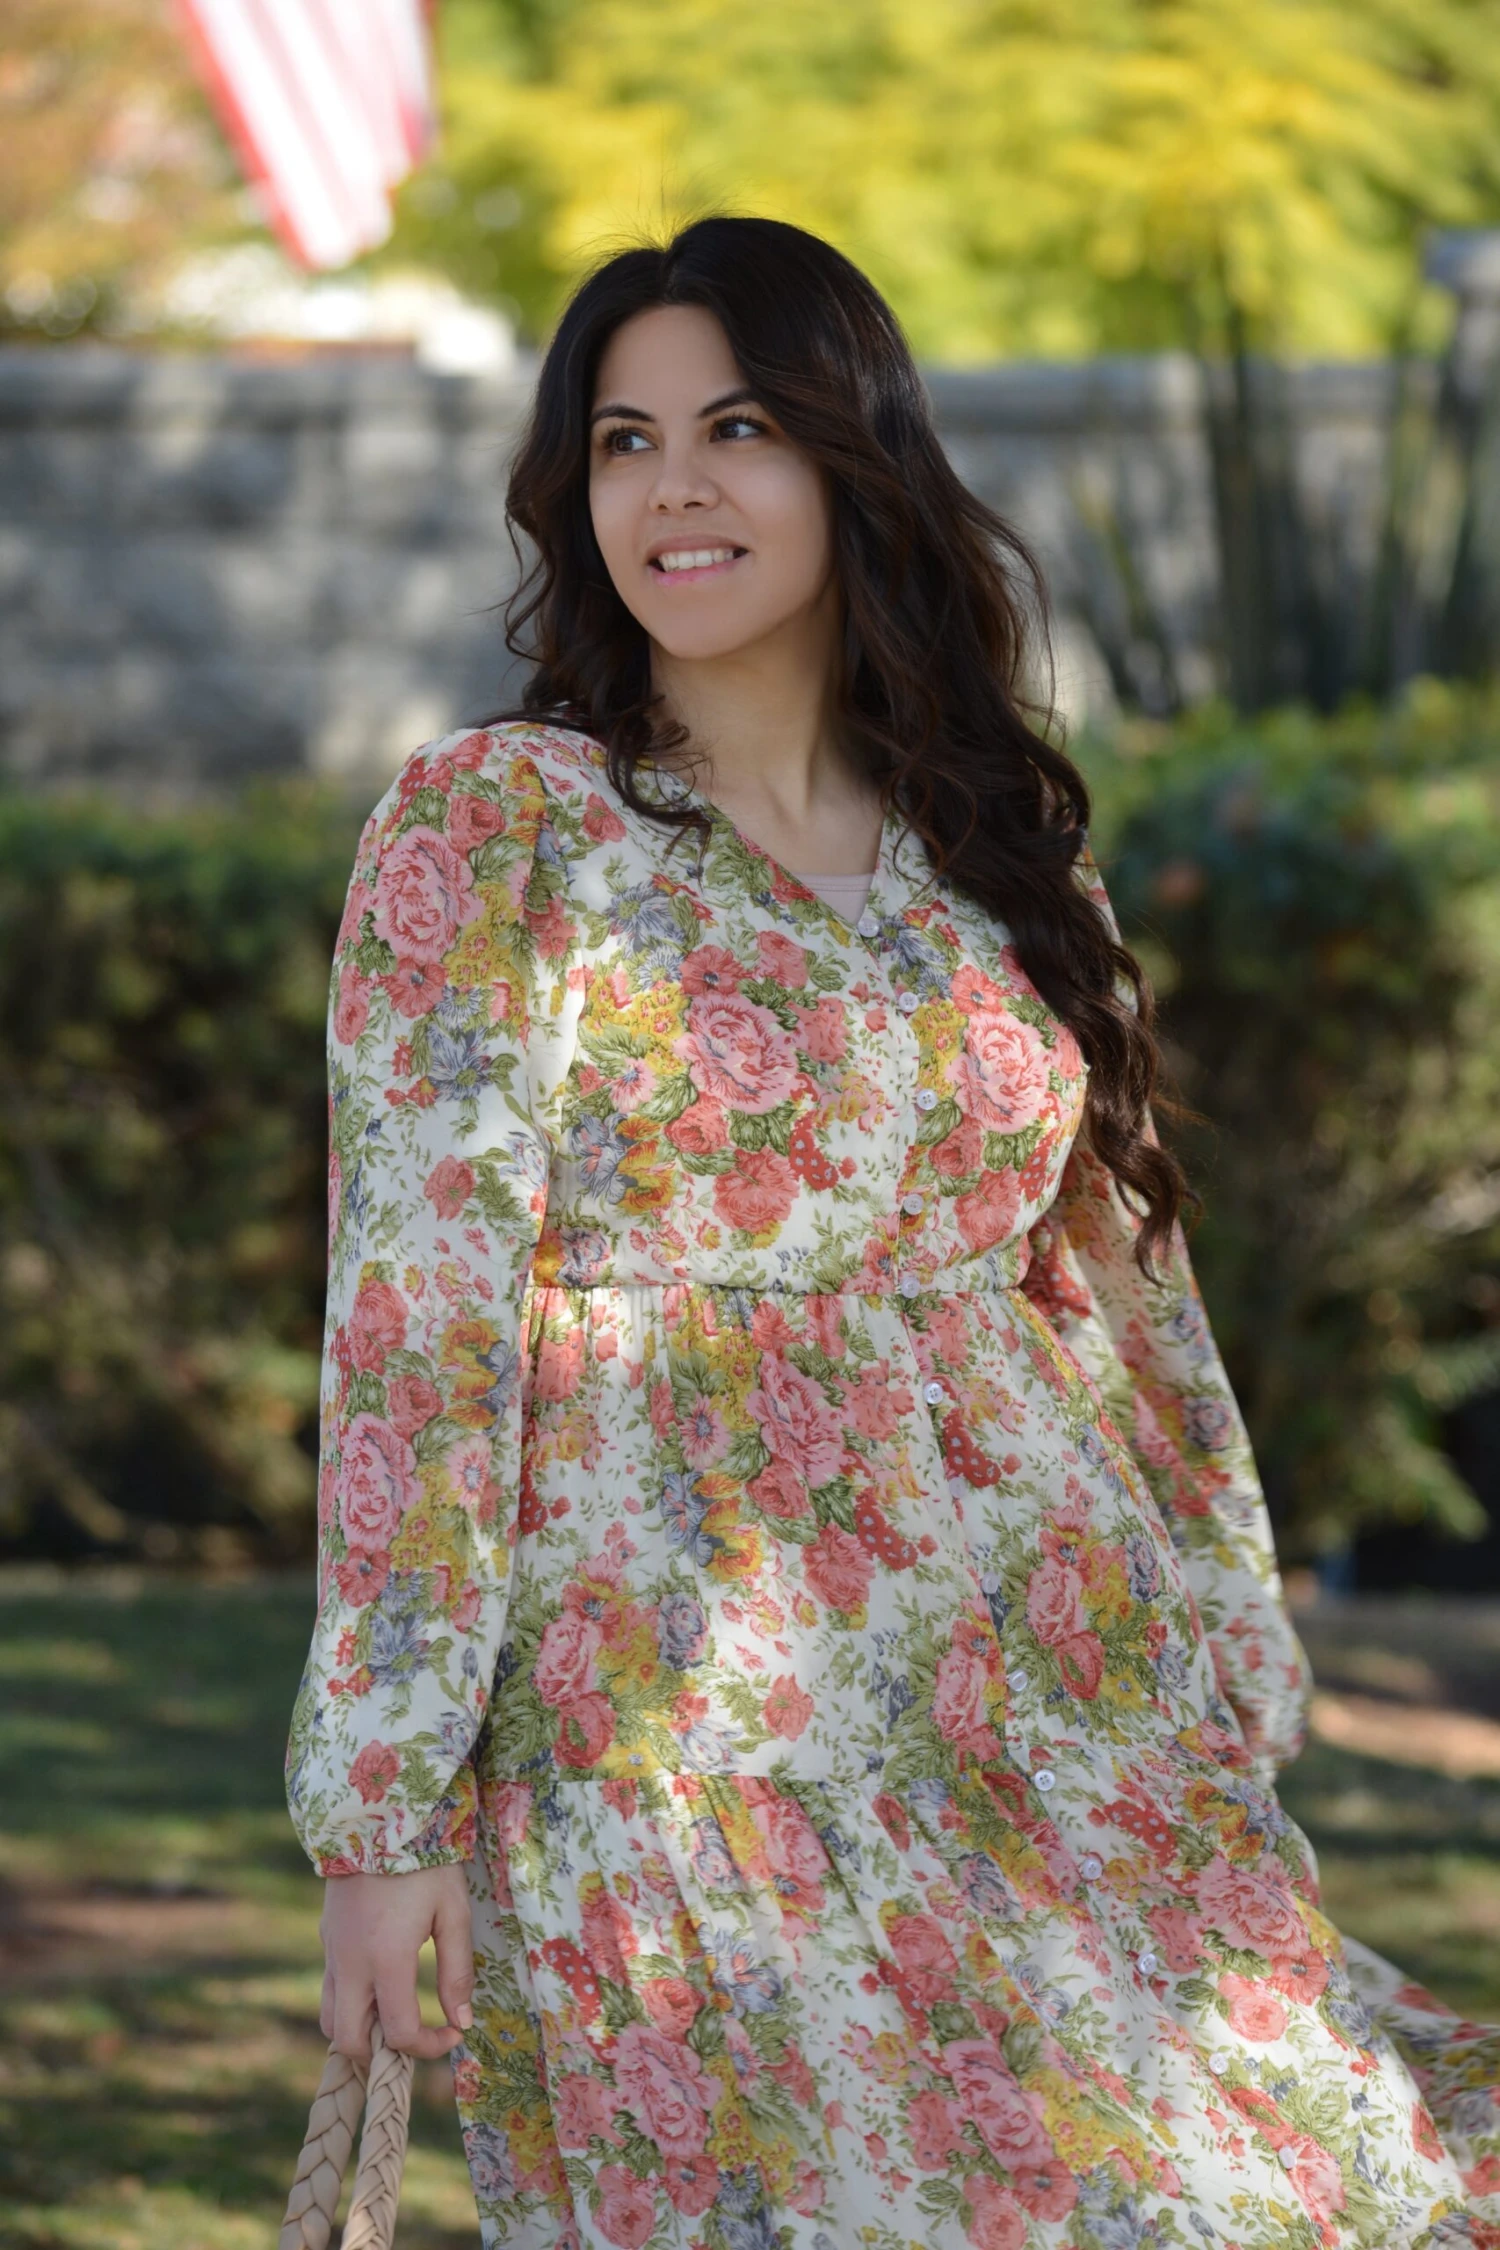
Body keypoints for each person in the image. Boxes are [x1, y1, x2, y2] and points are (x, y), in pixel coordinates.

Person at [285, 216, 1497, 2248]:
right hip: (679, 1727)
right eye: (624, 442)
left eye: (738, 428)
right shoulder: (501, 836)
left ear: (857, 457)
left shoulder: (1000, 855)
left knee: (1278, 2181)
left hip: (1058, 1688)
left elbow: (1120, 1296)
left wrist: (1227, 1650)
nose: (675, 488)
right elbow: (421, 1324)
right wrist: (382, 1811)